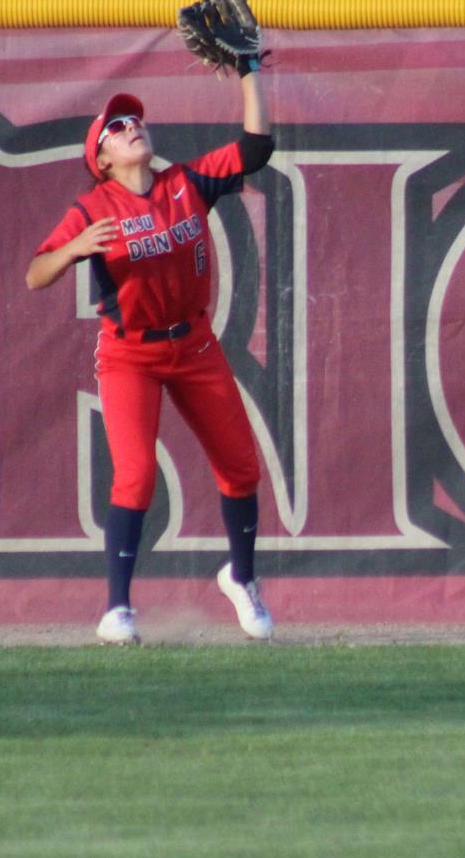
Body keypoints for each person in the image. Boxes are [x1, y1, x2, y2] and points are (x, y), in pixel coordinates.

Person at [23, 62, 277, 645]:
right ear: (102, 159)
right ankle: (117, 610)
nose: (131, 126)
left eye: (135, 119)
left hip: (194, 344)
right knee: (134, 477)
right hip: (129, 355)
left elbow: (256, 147)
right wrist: (73, 250)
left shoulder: (185, 184)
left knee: (240, 467)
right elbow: (36, 274)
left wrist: (248, 72)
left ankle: (241, 579)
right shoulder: (92, 209)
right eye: (116, 127)